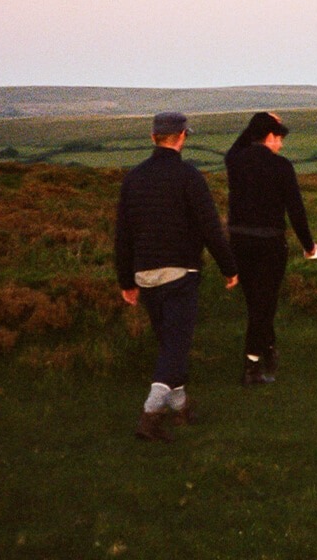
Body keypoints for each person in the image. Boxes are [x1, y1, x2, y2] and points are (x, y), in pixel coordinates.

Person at [115, 111, 240, 442]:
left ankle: (182, 406)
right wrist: (230, 268)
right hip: (181, 273)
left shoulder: (134, 179)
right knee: (176, 347)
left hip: (144, 274)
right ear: (183, 136)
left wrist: (126, 281)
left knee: (169, 345)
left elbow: (123, 236)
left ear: (152, 137)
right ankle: (150, 413)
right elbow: (211, 229)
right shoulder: (189, 177)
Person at [223, 111, 317, 385]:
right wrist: (308, 245)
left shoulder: (235, 162)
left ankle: (268, 349)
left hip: (239, 242)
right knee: (264, 304)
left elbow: (235, 147)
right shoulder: (282, 167)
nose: (281, 144)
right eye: (278, 138)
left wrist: (259, 120)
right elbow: (296, 211)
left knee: (257, 301)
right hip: (270, 244)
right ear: (268, 137)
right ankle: (252, 364)